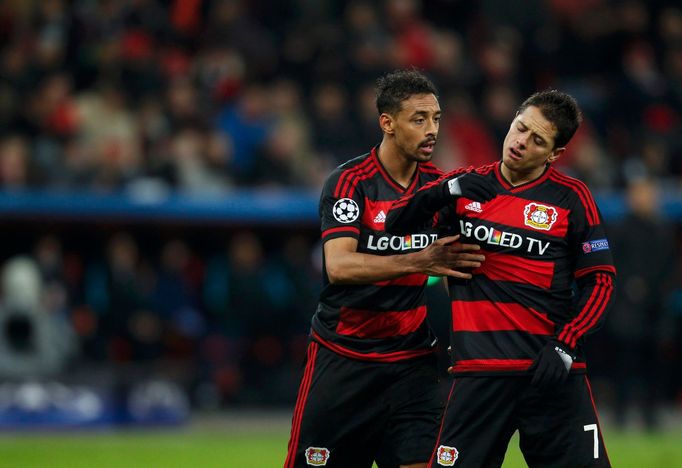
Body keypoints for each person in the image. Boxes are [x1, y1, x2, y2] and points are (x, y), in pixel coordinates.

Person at [385, 90, 616, 467]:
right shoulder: (464, 184)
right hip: (479, 375)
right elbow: (393, 222)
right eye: (520, 128)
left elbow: (601, 282)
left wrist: (566, 344)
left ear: (555, 154)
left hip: (550, 372)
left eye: (538, 140)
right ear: (512, 121)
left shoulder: (572, 198)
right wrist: (444, 190)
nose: (521, 142)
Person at [285, 69, 488, 468]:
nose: (432, 129)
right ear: (387, 123)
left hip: (411, 363)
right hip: (344, 358)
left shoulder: (440, 189)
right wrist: (420, 260)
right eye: (419, 119)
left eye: (436, 118)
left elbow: (459, 271)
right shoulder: (350, 182)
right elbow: (340, 265)